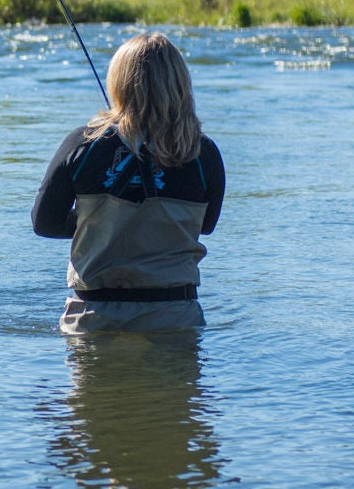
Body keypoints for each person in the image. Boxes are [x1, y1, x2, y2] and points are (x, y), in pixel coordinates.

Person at [32, 33, 225, 334]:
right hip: (175, 317)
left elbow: (44, 222)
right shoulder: (204, 153)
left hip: (93, 317)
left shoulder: (83, 143)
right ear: (180, 84)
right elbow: (205, 225)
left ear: (118, 83)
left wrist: (102, 223)